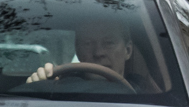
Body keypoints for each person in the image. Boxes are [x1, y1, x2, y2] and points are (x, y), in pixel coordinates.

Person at [25, 18, 158, 92]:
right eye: (88, 43)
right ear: (77, 50)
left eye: (108, 43)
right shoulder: (60, 89)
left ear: (128, 50)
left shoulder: (147, 96)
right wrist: (39, 86)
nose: (98, 53)